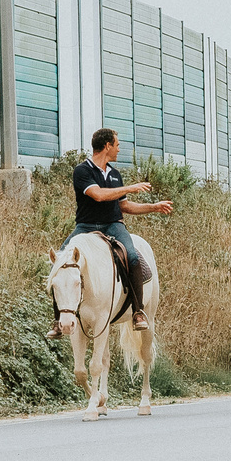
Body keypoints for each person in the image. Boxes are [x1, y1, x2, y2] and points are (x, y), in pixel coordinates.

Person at [71, 128, 170, 325]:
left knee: (132, 256)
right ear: (107, 146)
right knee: (62, 257)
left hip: (113, 225)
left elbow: (124, 206)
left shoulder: (115, 174)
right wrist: (131, 188)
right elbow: (98, 195)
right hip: (86, 226)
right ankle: (59, 318)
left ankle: (138, 311)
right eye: (117, 146)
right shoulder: (82, 171)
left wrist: (153, 207)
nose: (118, 150)